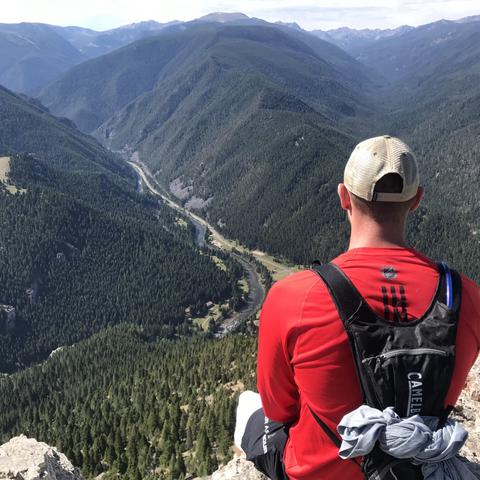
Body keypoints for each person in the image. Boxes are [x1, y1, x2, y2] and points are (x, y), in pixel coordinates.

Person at [236, 135, 480, 479]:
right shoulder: (466, 296)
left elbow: (279, 410)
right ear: (416, 201)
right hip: (418, 469)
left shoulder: (294, 296)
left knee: (247, 404)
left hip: (319, 471)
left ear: (343, 196)